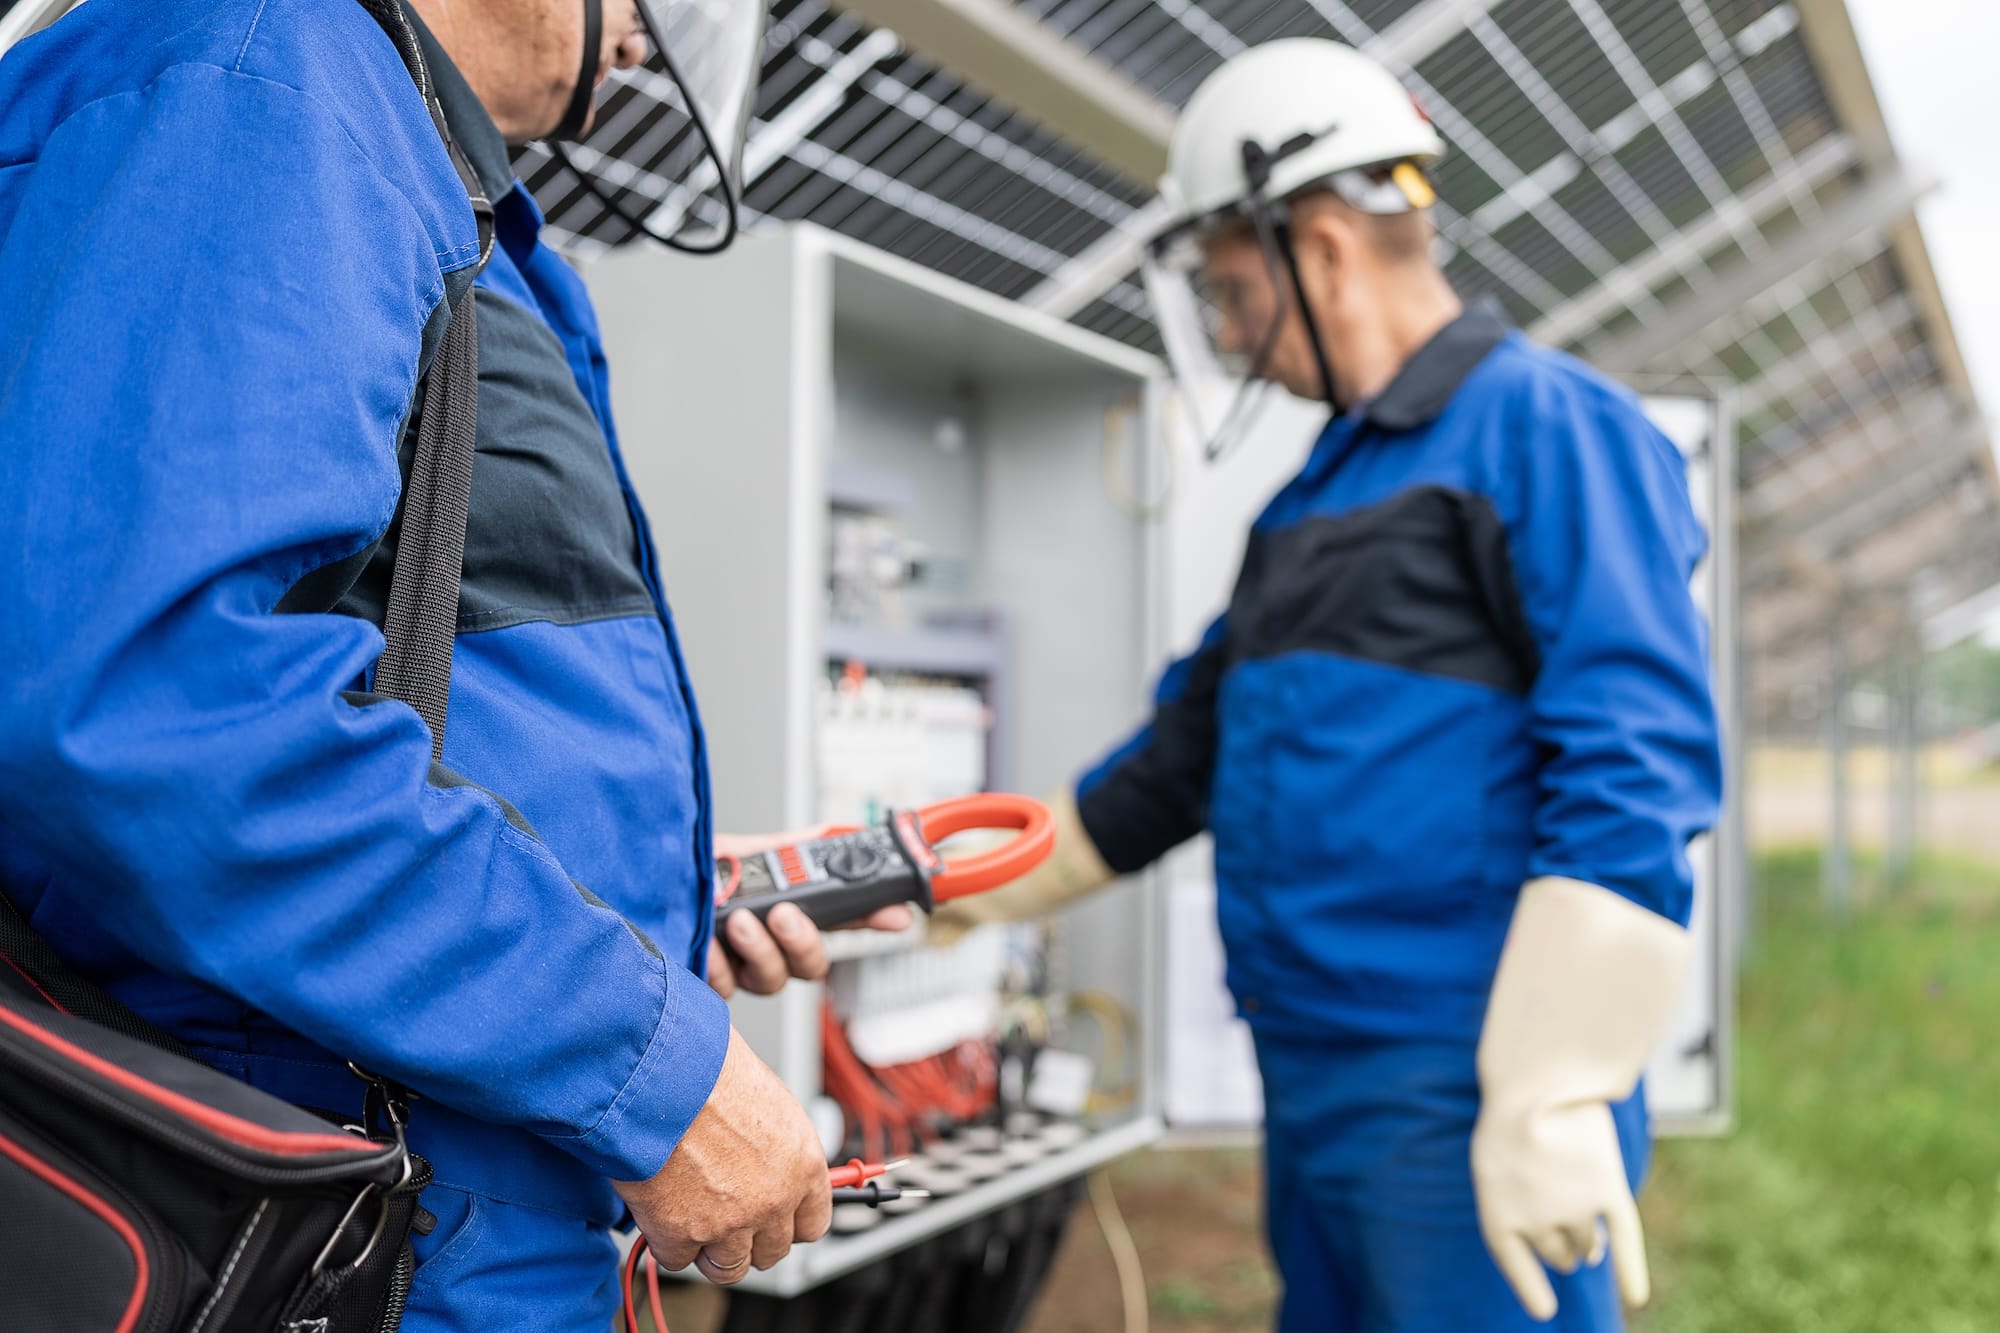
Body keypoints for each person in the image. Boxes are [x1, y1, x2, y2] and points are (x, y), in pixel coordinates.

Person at [0, 0, 902, 1326]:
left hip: (414, 1213)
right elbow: (156, 709)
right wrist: (652, 1065)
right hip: (332, 1230)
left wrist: (643, 899)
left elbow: (392, 674)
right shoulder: (266, 68)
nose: (663, 30)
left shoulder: (381, 136)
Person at [932, 38, 1723, 1333]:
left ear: (1322, 246)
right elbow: (1189, 749)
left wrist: (1557, 1087)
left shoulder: (1545, 427)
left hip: (1465, 1068)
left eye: (1234, 292)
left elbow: (1638, 762)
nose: (1235, 339)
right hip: (1314, 1060)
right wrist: (955, 893)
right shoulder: (1313, 496)